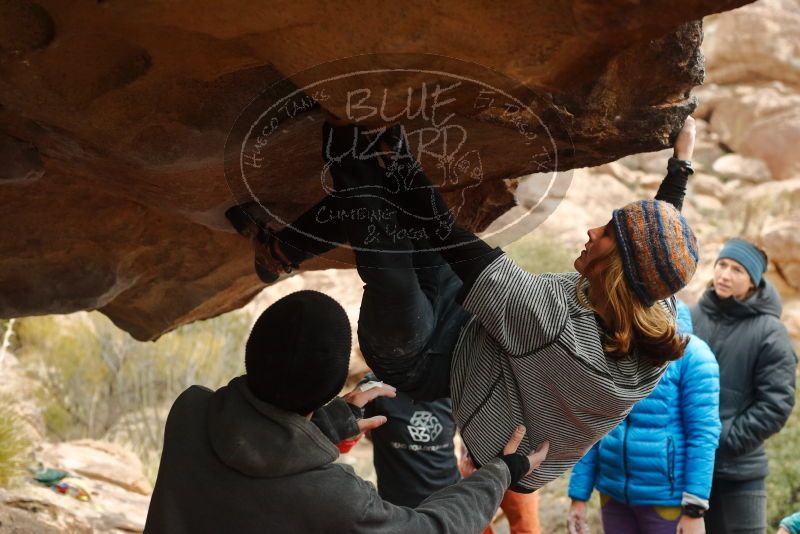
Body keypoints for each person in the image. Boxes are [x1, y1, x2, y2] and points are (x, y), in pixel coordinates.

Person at [226, 114, 699, 492]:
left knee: (389, 254)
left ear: (616, 271)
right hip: (481, 330)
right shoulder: (652, 313)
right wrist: (681, 165)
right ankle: (280, 251)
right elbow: (655, 259)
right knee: (390, 204)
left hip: (427, 362)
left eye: (607, 235)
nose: (592, 230)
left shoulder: (552, 326)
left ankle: (341, 164)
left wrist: (389, 152)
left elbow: (447, 233)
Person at [144, 290, 548, 534]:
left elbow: (259, 440)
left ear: (253, 352)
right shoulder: (336, 496)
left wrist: (327, 421)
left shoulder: (189, 411)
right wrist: (502, 472)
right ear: (329, 386)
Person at [566, 300, 721, 534]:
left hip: (666, 501)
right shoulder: (617, 342)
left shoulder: (694, 356)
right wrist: (578, 496)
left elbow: (703, 434)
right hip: (613, 495)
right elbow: (594, 423)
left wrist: (694, 509)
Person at [691, 239, 797, 534]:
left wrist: (724, 438)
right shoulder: (692, 317)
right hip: (691, 470)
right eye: (722, 265)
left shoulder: (770, 332)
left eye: (737, 269)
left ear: (753, 280)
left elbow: (776, 405)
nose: (725, 274)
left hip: (741, 474)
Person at [359, 372, 541, 532]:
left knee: (525, 525)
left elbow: (468, 426)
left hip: (450, 498)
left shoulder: (450, 382)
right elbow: (350, 431)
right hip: (398, 508)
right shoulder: (375, 388)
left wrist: (471, 456)